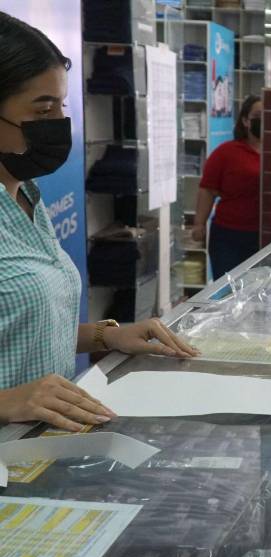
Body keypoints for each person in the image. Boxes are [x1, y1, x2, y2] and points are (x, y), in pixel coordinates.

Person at [0, 12, 198, 433]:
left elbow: (19, 325)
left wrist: (107, 336)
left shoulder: (25, 196)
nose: (58, 122)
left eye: (61, 105)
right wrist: (6, 402)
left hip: (36, 453)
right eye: (42, 108)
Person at [193, 95, 262, 280]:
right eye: (258, 115)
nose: (263, 120)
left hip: (264, 236)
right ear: (246, 121)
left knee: (258, 295)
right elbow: (207, 189)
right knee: (228, 293)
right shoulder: (227, 153)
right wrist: (199, 224)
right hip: (229, 236)